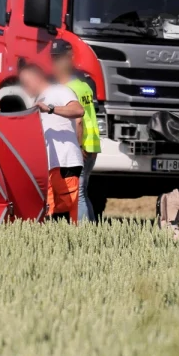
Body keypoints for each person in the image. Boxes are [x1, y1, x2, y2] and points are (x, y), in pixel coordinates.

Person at [18, 63, 84, 222]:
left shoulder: (60, 90)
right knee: (49, 214)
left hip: (64, 161)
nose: (25, 88)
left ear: (37, 77)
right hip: (47, 164)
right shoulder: (38, 98)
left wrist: (51, 109)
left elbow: (78, 111)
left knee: (65, 214)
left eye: (27, 83)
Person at [51, 39, 101, 222]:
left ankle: (84, 233)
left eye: (58, 58)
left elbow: (78, 121)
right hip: (92, 143)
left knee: (77, 194)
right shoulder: (84, 85)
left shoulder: (67, 89)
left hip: (82, 145)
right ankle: (92, 230)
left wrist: (77, 147)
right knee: (83, 192)